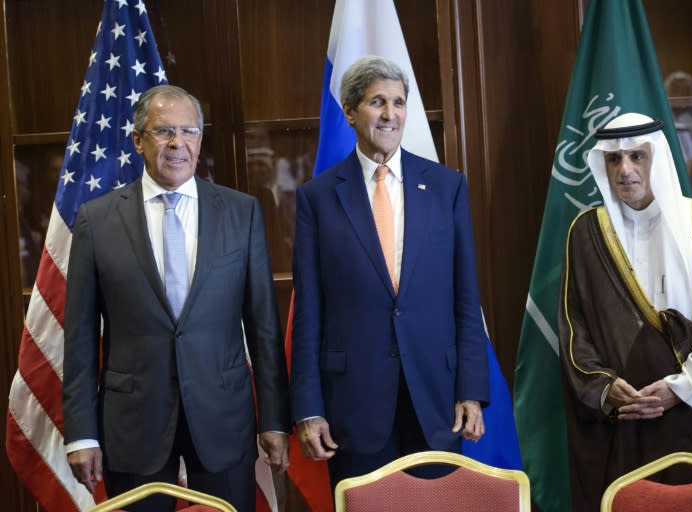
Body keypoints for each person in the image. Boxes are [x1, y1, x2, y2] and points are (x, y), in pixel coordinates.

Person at [62, 85, 290, 511]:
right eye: (164, 131)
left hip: (222, 417)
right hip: (133, 423)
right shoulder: (97, 219)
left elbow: (263, 329)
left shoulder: (241, 213)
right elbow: (77, 338)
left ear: (200, 139)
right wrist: (81, 432)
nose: (177, 144)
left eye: (189, 131)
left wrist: (276, 420)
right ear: (137, 139)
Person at [290, 55, 489, 491]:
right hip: (353, 402)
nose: (390, 114)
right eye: (377, 101)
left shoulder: (446, 187)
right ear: (348, 111)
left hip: (437, 399)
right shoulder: (317, 198)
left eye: (399, 103)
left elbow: (465, 297)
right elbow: (308, 311)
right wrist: (309, 408)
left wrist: (472, 389)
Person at [559, 112, 692, 511]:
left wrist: (678, 388)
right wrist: (605, 387)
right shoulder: (587, 233)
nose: (625, 170)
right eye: (614, 159)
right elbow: (573, 328)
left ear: (659, 158)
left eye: (637, 156)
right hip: (625, 418)